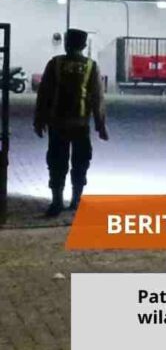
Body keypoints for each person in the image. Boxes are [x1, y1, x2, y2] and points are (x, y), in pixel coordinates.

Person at [34, 29, 109, 216]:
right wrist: (100, 125)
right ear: (83, 45)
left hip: (57, 123)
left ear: (66, 43)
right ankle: (76, 201)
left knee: (56, 162)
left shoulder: (55, 63)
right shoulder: (91, 66)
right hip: (80, 124)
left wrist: (39, 119)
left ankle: (57, 202)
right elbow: (97, 98)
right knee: (81, 163)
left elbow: (44, 93)